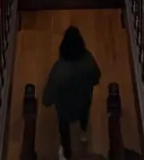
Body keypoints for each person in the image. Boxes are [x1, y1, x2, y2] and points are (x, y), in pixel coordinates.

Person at [42, 26, 101, 160]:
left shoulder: (59, 70)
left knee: (64, 129)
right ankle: (83, 133)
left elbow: (47, 99)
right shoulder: (88, 59)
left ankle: (66, 153)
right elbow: (96, 77)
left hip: (64, 107)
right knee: (84, 116)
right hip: (84, 100)